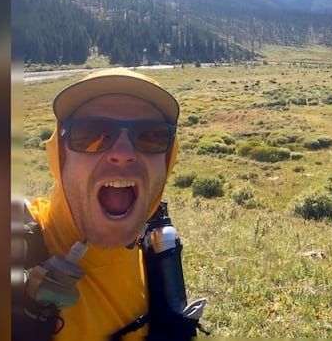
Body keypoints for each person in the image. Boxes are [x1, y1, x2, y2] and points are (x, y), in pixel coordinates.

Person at [12, 67, 202, 340]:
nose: (122, 154)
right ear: (59, 156)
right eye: (90, 135)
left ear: (168, 160)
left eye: (150, 136)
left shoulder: (158, 260)